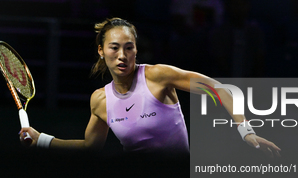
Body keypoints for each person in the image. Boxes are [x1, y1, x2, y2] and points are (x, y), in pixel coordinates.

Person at [19, 18, 281, 158]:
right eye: (114, 47)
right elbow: (90, 147)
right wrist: (41, 139)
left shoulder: (157, 76)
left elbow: (218, 89)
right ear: (101, 52)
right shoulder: (100, 100)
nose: (122, 55)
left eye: (129, 47)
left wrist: (246, 131)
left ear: (136, 50)